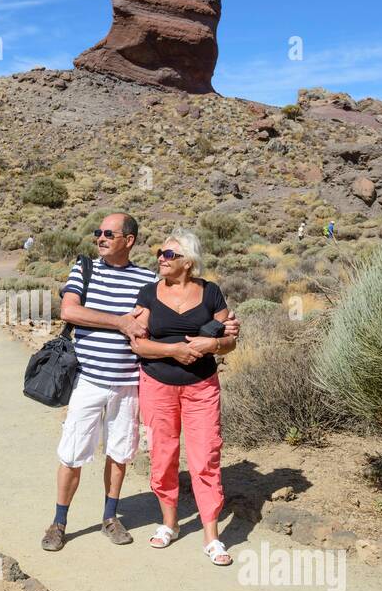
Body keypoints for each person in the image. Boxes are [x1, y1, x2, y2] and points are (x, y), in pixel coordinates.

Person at [42, 213, 153, 552]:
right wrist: (120, 322)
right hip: (88, 380)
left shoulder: (147, 280)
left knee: (119, 452)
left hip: (128, 383)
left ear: (129, 240)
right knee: (72, 452)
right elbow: (70, 312)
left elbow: (150, 322)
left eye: (109, 233)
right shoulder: (85, 269)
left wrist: (223, 323)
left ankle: (110, 516)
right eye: (98, 232)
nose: (100, 238)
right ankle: (59, 522)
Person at [129, 229, 240, 566]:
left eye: (169, 255)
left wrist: (213, 345)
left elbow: (230, 339)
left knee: (205, 456)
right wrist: (173, 351)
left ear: (188, 262)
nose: (161, 258)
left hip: (201, 386)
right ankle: (169, 523)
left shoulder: (211, 293)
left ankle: (211, 536)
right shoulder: (148, 293)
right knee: (162, 454)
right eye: (160, 253)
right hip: (157, 384)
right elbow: (137, 342)